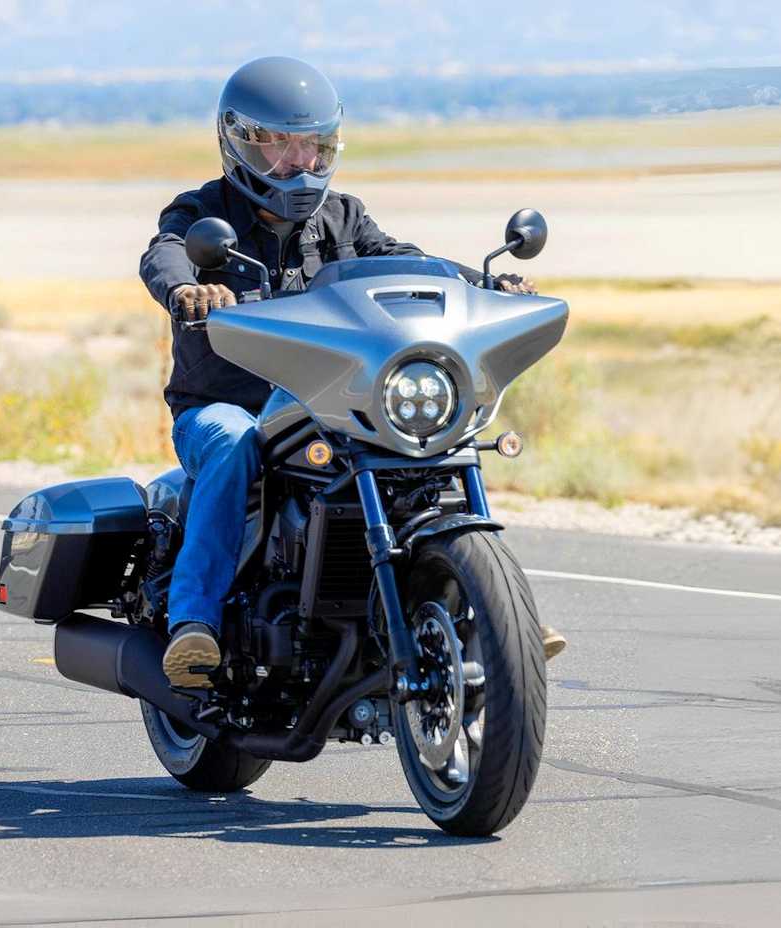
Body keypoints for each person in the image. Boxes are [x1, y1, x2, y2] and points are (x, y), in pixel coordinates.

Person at [139, 56, 566, 687]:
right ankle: (193, 622)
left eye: (314, 145)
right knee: (233, 444)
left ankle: (496, 616)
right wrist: (187, 290)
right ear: (239, 141)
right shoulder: (203, 212)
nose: (300, 162)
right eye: (281, 144)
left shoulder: (343, 217)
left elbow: (405, 260)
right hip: (224, 405)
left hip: (319, 400)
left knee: (428, 445)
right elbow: (165, 253)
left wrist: (482, 284)